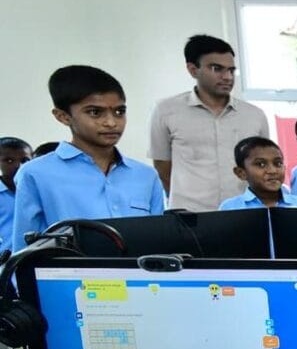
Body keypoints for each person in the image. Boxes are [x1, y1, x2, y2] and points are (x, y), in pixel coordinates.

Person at [13, 66, 164, 252]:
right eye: (95, 112)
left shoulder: (146, 176)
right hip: (70, 280)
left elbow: (159, 246)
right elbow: (23, 251)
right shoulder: (36, 174)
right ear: (63, 116)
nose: (111, 122)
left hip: (139, 280)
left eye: (119, 111)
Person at [149, 34, 269, 212]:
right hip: (190, 216)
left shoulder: (254, 115)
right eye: (216, 68)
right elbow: (162, 166)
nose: (227, 77)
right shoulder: (166, 110)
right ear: (192, 69)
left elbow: (264, 164)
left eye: (231, 70)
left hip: (243, 213)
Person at [218, 137, 297, 210]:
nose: (272, 171)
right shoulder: (230, 208)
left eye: (278, 163)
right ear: (241, 173)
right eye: (261, 164)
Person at [0, 137, 33, 253]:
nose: (18, 166)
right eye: (9, 161)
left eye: (25, 160)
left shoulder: (37, 192)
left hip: (32, 261)